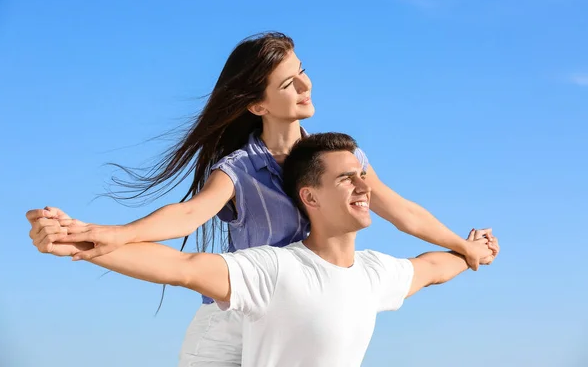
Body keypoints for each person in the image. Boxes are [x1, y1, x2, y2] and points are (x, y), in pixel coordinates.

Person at [26, 32, 492, 366]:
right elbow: (189, 216)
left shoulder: (335, 161)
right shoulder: (241, 168)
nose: (306, 86)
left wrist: (464, 246)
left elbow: (403, 211)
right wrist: (112, 235)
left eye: (303, 73)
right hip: (235, 319)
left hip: (298, 309)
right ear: (257, 105)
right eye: (289, 84)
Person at [30, 133, 499, 367]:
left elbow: (431, 267)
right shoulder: (275, 270)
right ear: (310, 198)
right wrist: (82, 239)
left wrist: (470, 252)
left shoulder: (375, 274)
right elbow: (181, 264)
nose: (364, 184)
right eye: (346, 177)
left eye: (363, 175)